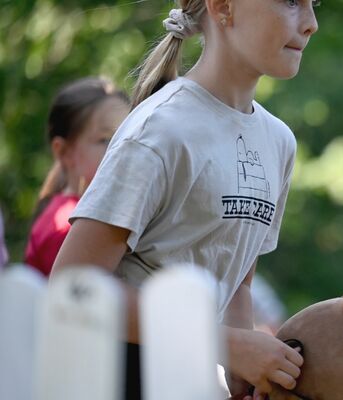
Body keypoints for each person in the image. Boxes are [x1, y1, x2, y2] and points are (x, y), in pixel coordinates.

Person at [52, 1, 319, 399]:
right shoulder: (160, 129)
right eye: (291, 2)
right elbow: (74, 286)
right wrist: (228, 345)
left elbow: (239, 284)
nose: (311, 24)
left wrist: (244, 376)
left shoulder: (279, 142)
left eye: (315, 4)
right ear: (223, 7)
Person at [24, 78, 129, 276]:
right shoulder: (66, 226)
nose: (121, 148)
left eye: (127, 136)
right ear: (64, 152)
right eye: (105, 139)